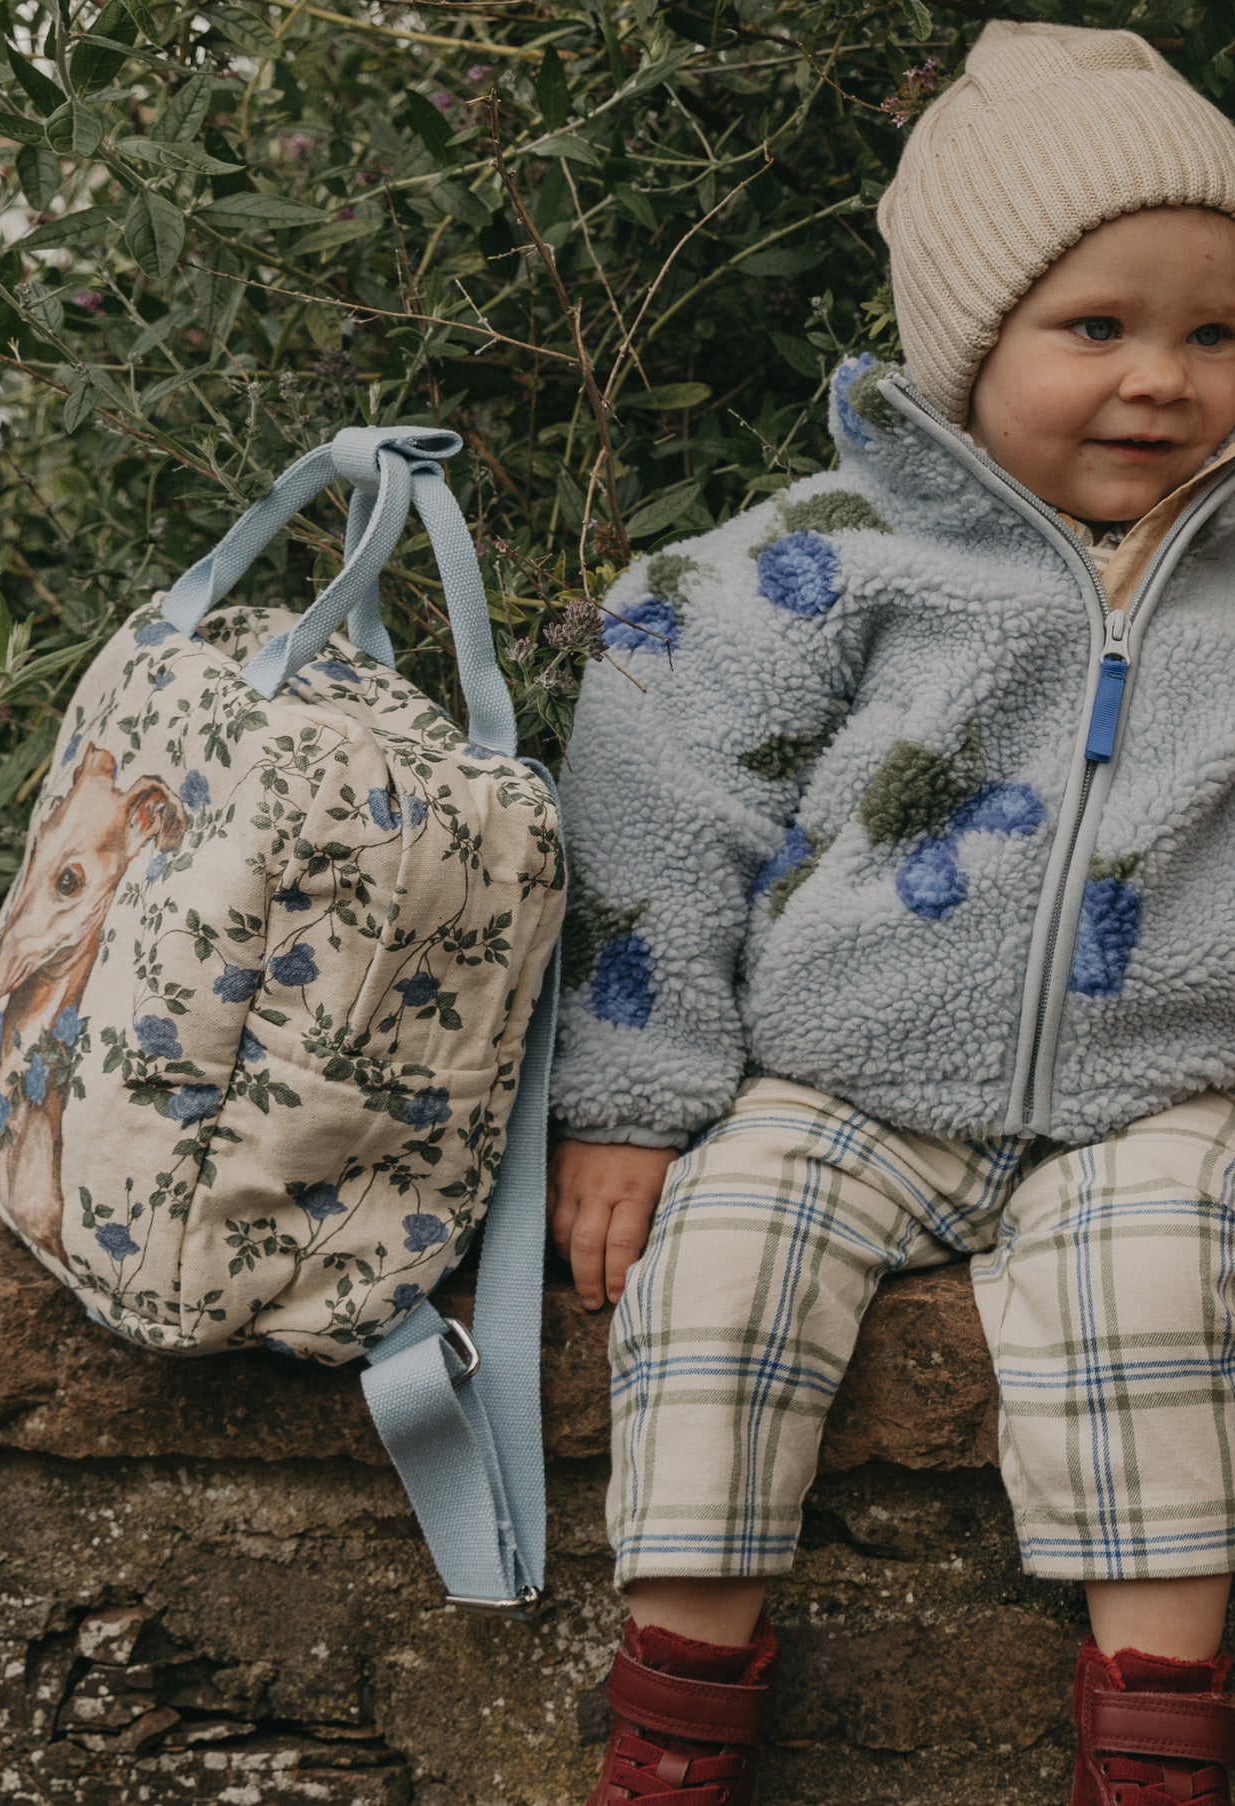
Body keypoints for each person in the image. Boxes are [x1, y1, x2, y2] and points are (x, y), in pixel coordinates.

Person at [548, 21, 1235, 1805]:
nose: (1159, 378)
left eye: (1213, 333)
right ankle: (675, 1718)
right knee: (713, 1275)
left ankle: (1157, 1744)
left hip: (1166, 1090)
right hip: (841, 1068)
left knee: (1163, 1312)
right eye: (1096, 327)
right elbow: (659, 790)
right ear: (969, 342)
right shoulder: (842, 550)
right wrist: (629, 1099)